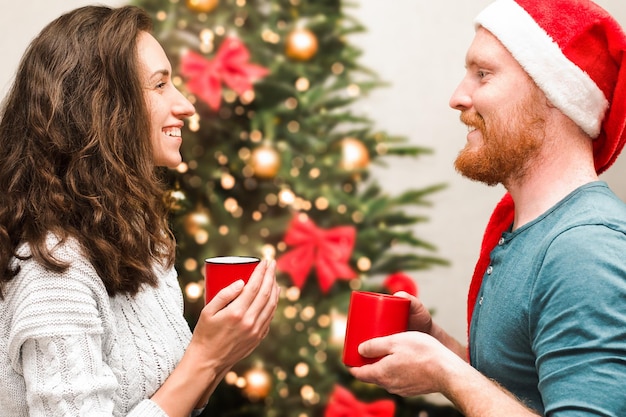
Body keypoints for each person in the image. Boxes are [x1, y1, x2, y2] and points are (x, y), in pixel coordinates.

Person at [349, 0, 626, 415]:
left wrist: (447, 373)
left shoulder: (584, 250)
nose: (458, 97)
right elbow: (527, 393)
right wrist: (444, 352)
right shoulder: (530, 231)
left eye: (483, 74)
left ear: (554, 95)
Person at [0, 5, 279, 417]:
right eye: (160, 85)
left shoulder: (135, 238)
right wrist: (205, 357)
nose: (185, 105)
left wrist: (221, 349)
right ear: (100, 107)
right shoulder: (53, 272)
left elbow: (168, 396)